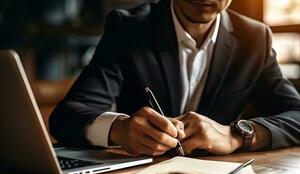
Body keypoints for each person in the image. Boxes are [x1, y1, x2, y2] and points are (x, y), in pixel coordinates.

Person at [50, 0, 300, 156]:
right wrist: (119, 129)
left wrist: (236, 136)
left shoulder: (254, 38)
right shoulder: (128, 28)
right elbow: (67, 116)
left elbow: (297, 114)